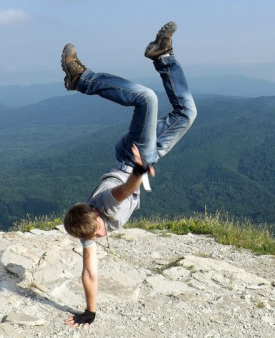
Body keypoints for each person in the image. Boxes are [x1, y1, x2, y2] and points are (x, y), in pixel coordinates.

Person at [60, 21, 197, 329]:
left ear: (94, 213)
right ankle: (163, 56)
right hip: (145, 156)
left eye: (95, 226)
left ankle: (82, 79)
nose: (97, 233)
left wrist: (138, 170)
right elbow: (89, 271)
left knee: (146, 99)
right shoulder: (86, 229)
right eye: (93, 234)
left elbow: (123, 192)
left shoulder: (103, 204)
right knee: (186, 114)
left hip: (135, 159)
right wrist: (90, 311)